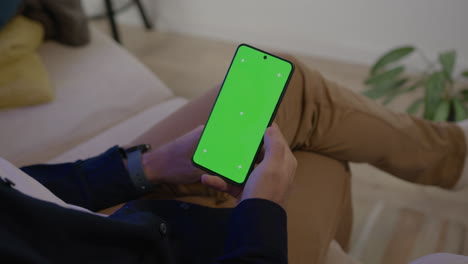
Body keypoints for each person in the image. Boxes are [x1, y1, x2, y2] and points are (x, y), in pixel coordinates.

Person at [0, 55, 467, 264]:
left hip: (99, 219)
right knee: (316, 157)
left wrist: (147, 167)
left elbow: (17, 194)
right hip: (157, 243)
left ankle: (456, 155)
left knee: (283, 80)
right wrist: (263, 210)